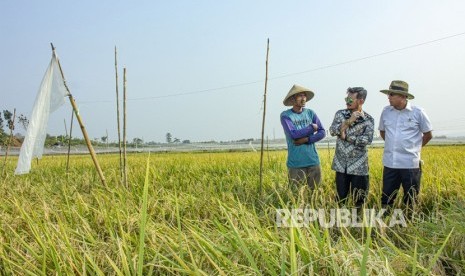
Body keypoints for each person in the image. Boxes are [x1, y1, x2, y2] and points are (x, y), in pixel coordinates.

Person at [378, 80, 433, 209]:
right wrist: (393, 145)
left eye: (392, 94)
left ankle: (408, 224)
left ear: (403, 96)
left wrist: (413, 149)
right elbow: (382, 131)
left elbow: (428, 135)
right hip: (390, 163)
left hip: (410, 164)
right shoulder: (386, 112)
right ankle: (385, 223)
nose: (388, 97)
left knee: (411, 198)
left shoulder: (418, 112)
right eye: (389, 94)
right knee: (387, 198)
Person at [329, 87, 374, 206]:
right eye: (346, 99)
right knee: (340, 199)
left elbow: (366, 140)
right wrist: (349, 121)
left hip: (359, 166)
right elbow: (333, 131)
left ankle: (357, 222)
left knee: (359, 200)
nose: (347, 102)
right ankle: (339, 223)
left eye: (350, 99)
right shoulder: (340, 114)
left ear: (361, 101)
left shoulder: (368, 120)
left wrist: (345, 136)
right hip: (341, 165)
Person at [280, 84, 326, 189]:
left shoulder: (310, 113)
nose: (303, 98)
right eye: (300, 96)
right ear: (292, 99)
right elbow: (293, 134)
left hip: (313, 161)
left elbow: (322, 132)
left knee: (315, 195)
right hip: (296, 163)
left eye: (304, 95)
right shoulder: (286, 116)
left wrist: (307, 139)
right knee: (296, 197)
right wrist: (311, 128)